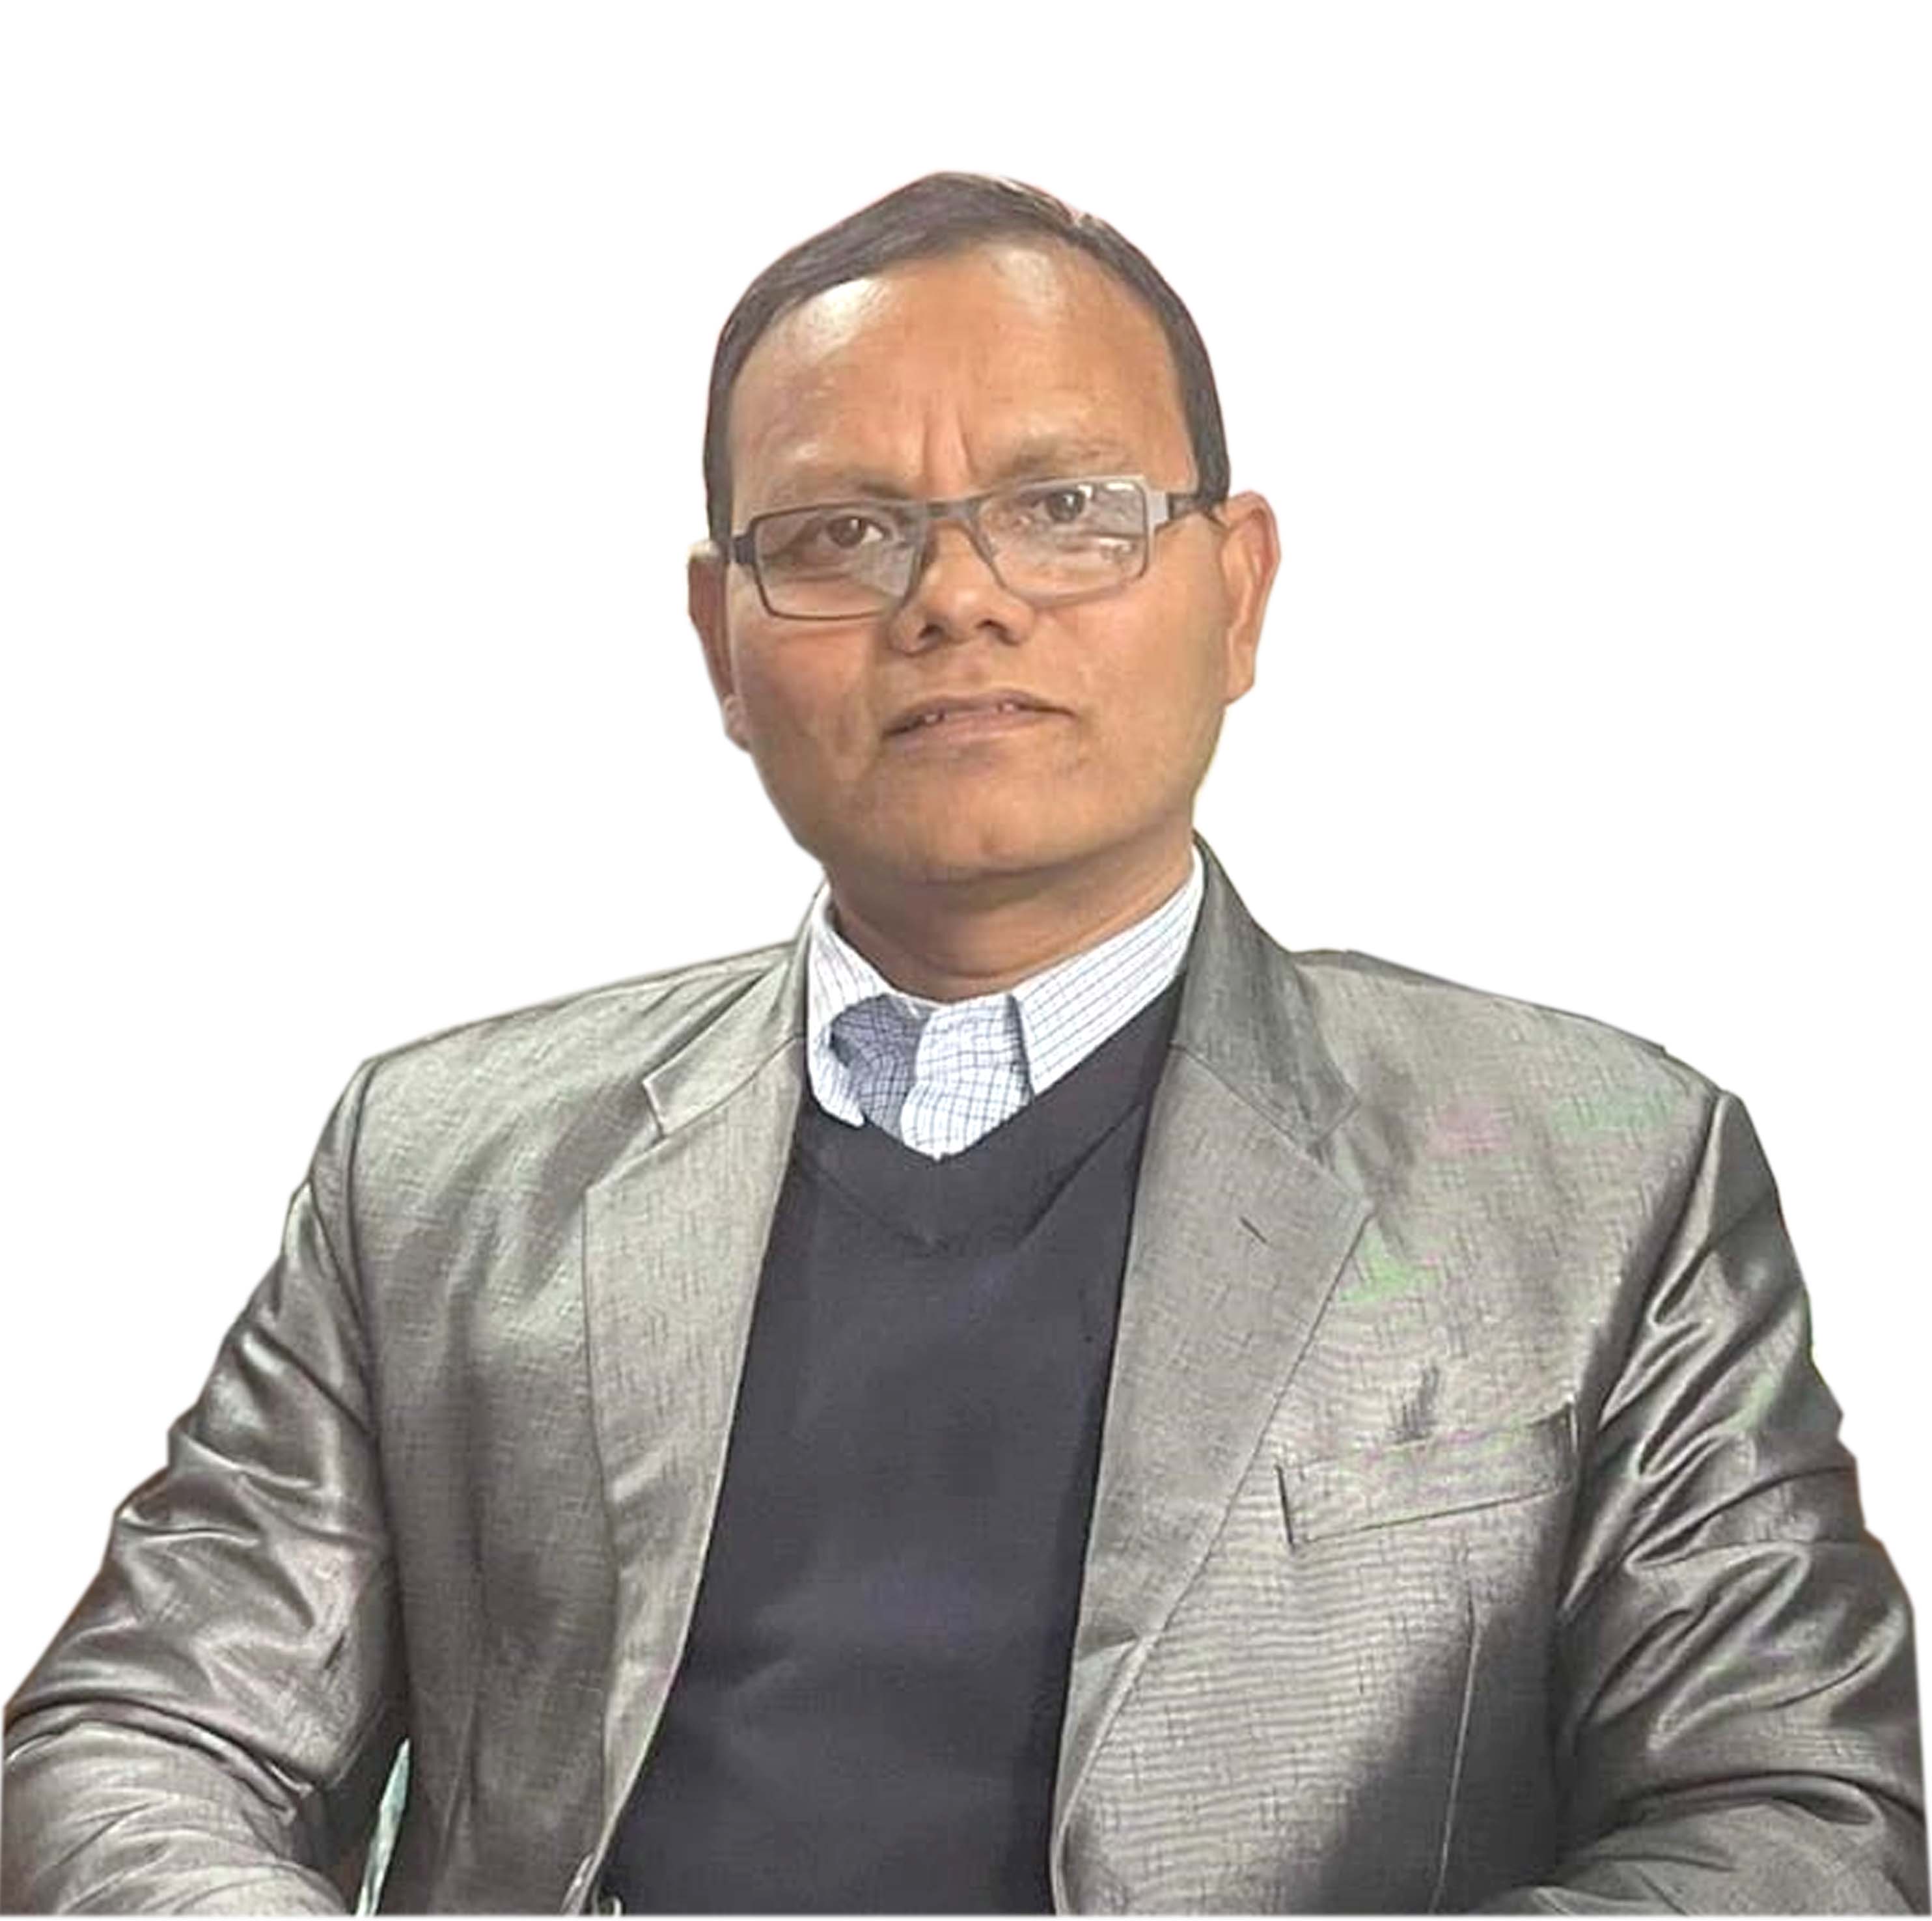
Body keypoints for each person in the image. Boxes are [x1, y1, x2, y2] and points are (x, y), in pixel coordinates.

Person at [3, 171, 1924, 1916]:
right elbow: (132, 1743)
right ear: (722, 640)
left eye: (1065, 511)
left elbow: (1796, 1823)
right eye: (842, 533)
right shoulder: (439, 1170)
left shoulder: (1594, 1173)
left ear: (1237, 588)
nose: (957, 598)